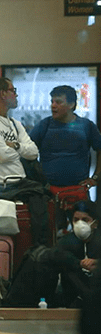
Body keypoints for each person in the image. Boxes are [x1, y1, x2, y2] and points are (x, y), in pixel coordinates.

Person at [0, 77, 50, 246]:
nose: (16, 95)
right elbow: (3, 155)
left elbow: (34, 152)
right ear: (3, 94)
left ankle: (38, 251)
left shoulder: (15, 123)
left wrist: (14, 145)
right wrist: (20, 149)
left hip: (19, 185)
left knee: (44, 199)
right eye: (13, 91)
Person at [0, 200, 101, 309]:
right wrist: (78, 263)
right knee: (38, 255)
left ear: (95, 223)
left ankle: (8, 297)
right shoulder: (68, 241)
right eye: (76, 220)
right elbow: (55, 256)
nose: (80, 224)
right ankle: (11, 292)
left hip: (91, 294)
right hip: (70, 293)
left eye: (85, 220)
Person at [29, 85, 101, 230]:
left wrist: (95, 177)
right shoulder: (44, 125)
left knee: (84, 232)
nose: (53, 106)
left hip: (78, 192)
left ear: (71, 105)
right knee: (51, 233)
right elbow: (26, 151)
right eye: (52, 102)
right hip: (50, 192)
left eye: (58, 102)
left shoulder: (86, 126)